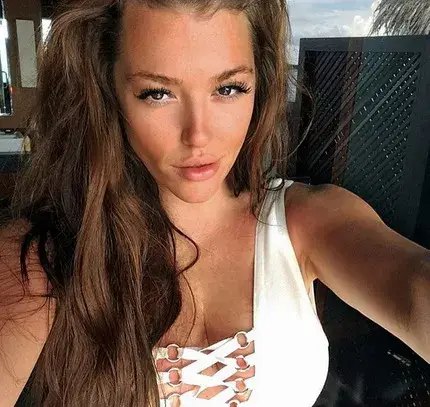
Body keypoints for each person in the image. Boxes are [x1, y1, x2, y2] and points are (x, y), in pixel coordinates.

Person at [0, 0, 429, 406]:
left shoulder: (307, 221)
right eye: (157, 93)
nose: (198, 135)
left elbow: (413, 287)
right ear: (107, 90)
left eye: (228, 88)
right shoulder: (41, 258)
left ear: (259, 84)